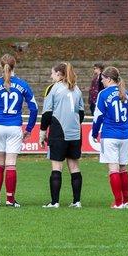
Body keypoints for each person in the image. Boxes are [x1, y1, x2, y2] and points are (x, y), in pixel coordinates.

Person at [0, 53, 37, 207]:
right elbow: (34, 109)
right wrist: (29, 128)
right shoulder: (23, 85)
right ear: (15, 66)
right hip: (14, 127)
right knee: (11, 164)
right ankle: (10, 200)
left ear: (1, 66)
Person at [40, 62, 85, 208]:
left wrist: (42, 132)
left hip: (59, 132)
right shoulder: (76, 89)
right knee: (74, 166)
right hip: (75, 134)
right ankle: (76, 201)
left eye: (52, 73)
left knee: (56, 167)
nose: (51, 76)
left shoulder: (53, 89)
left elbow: (47, 113)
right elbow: (81, 113)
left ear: (59, 74)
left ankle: (54, 202)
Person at [92, 65, 128, 209]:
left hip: (110, 134)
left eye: (103, 79)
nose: (101, 81)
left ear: (109, 79)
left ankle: (118, 203)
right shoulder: (127, 94)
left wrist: (94, 132)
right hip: (124, 135)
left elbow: (98, 117)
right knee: (123, 168)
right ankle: (126, 201)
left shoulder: (103, 94)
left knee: (113, 169)